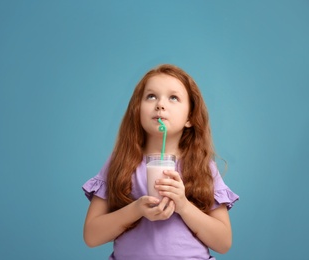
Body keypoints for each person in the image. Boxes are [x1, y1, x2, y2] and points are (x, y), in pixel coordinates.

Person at [82, 64, 239, 260]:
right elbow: (91, 236)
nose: (160, 105)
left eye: (173, 97)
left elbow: (223, 243)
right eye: (151, 96)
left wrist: (183, 205)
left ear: (190, 117)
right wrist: (137, 209)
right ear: (137, 110)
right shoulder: (120, 162)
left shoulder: (202, 166)